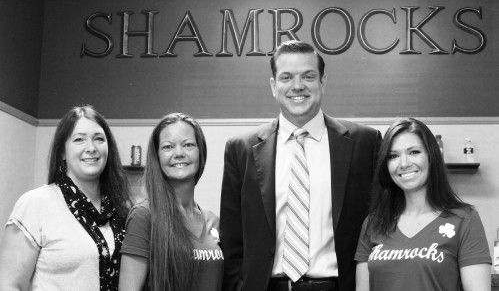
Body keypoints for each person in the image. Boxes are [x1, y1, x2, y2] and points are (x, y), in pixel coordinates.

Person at [219, 40, 382, 291]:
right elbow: (232, 240)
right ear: (274, 86)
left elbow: (378, 225)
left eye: (308, 76)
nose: (298, 86)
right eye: (287, 77)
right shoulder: (241, 149)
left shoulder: (365, 143)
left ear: (323, 82)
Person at [0, 105, 132, 290]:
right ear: (62, 151)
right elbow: (10, 285)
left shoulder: (121, 209)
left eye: (99, 139)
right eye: (79, 140)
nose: (91, 148)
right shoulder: (35, 203)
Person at [355, 118, 491, 291]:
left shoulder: (464, 219)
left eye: (413, 152)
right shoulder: (373, 224)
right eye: (393, 156)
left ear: (431, 156)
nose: (404, 164)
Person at [119, 112, 223, 291]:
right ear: (157, 157)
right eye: (168, 147)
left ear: (201, 152)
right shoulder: (144, 216)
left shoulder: (213, 221)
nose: (179, 153)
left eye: (188, 145)